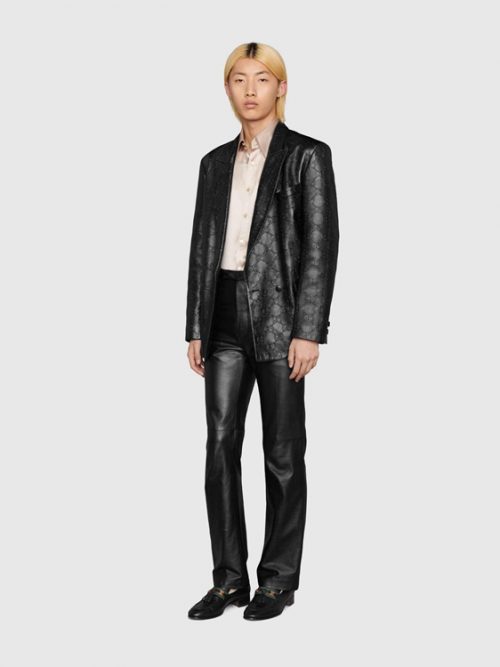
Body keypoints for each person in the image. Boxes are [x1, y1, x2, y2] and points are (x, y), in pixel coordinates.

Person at [185, 41, 340, 621]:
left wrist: (309, 329)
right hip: (222, 317)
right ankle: (229, 579)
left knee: (283, 452)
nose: (250, 90)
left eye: (262, 79)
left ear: (281, 87)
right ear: (227, 88)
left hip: (281, 319)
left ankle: (277, 580)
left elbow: (321, 245)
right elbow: (202, 246)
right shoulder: (213, 163)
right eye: (239, 79)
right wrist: (195, 324)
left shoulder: (307, 156)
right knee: (220, 445)